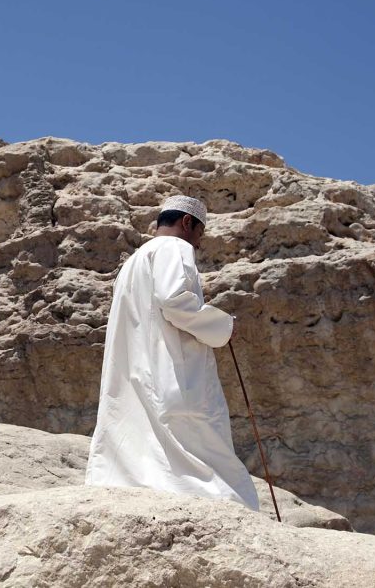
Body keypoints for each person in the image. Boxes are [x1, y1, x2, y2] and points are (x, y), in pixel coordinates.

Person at [85, 195, 260, 511]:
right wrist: (223, 326)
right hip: (172, 374)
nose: (199, 244)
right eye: (200, 234)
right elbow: (174, 301)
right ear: (187, 222)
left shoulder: (134, 261)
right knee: (198, 445)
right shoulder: (174, 248)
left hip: (139, 369)